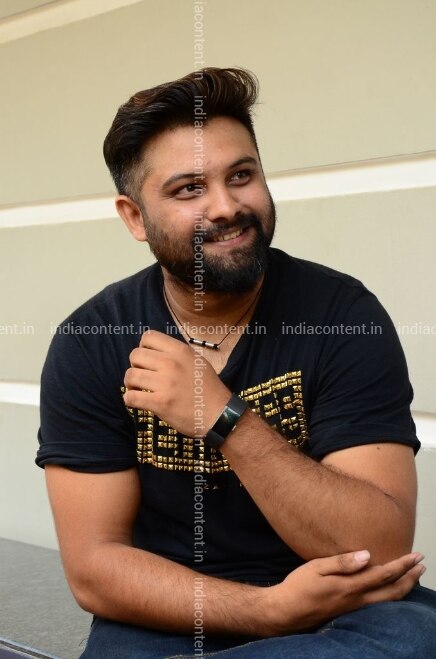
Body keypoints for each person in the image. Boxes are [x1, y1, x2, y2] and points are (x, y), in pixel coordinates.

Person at [36, 68, 436, 658]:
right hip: (172, 610)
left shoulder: (341, 315)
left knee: (415, 635)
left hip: (341, 610)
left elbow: (376, 548)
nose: (226, 207)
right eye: (189, 189)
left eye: (241, 176)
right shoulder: (92, 341)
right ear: (135, 217)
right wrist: (267, 611)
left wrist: (225, 417)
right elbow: (95, 569)